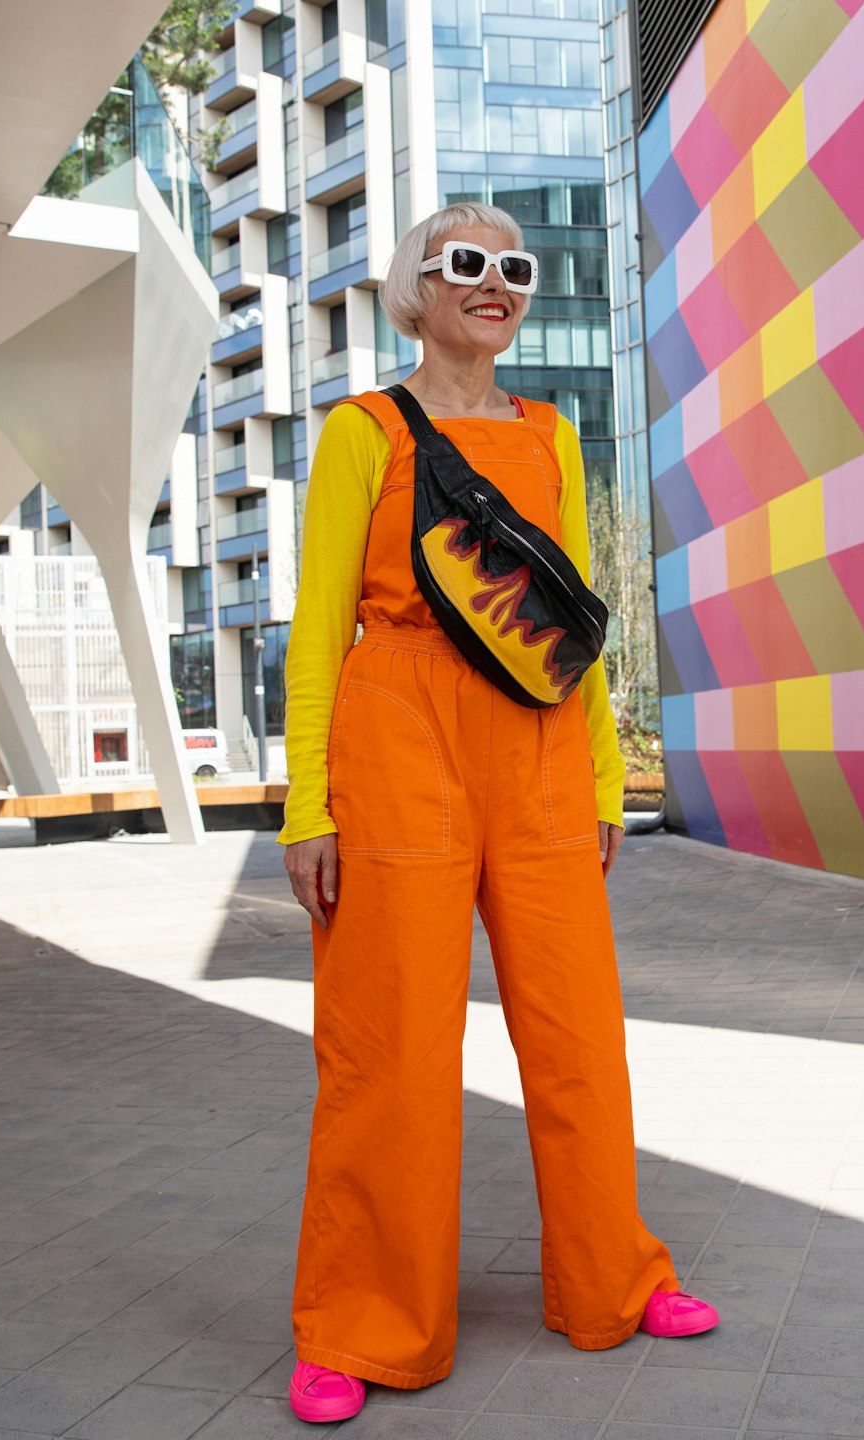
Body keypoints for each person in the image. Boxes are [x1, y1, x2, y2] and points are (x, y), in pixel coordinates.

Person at [275, 203, 720, 1424]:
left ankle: (614, 1284)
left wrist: (596, 782)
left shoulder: (552, 432)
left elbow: (573, 623)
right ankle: (359, 1327)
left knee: (580, 1037)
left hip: (531, 751)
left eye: (513, 266)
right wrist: (305, 808)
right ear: (413, 291)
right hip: (396, 735)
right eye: (462, 263)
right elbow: (319, 634)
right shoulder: (361, 433)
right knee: (390, 1050)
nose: (494, 282)